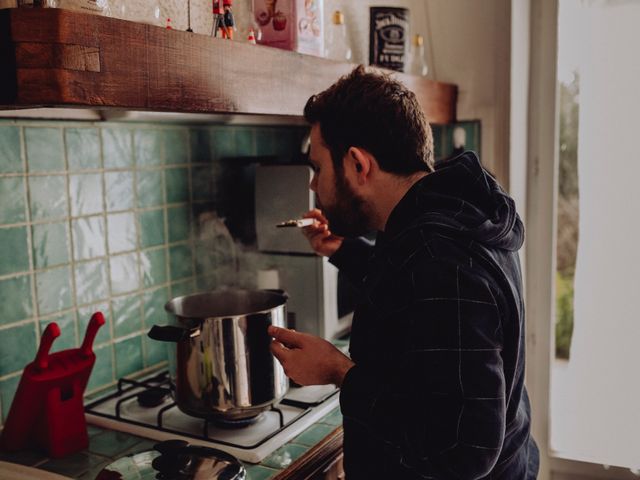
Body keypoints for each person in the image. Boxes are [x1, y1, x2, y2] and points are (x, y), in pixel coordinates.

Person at [267, 65, 539, 479]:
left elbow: (463, 448)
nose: (313, 186)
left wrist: (339, 372)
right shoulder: (448, 216)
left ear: (359, 165)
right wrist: (345, 250)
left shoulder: (443, 258)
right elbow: (416, 299)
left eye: (318, 169)